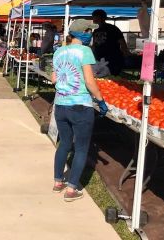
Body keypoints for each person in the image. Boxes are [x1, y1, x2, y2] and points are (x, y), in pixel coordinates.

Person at [51, 19, 108, 202]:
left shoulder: (59, 51)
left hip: (61, 105)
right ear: (84, 33)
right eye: (90, 31)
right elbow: (90, 81)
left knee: (65, 143)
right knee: (81, 148)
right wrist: (100, 100)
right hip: (80, 106)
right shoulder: (85, 51)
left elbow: (54, 79)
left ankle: (58, 182)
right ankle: (72, 189)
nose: (91, 34)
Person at [91, 9, 129, 76]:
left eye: (94, 16)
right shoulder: (96, 30)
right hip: (99, 58)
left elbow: (122, 42)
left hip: (112, 59)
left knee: (111, 77)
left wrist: (126, 54)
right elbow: (94, 44)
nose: (93, 19)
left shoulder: (112, 28)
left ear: (100, 17)